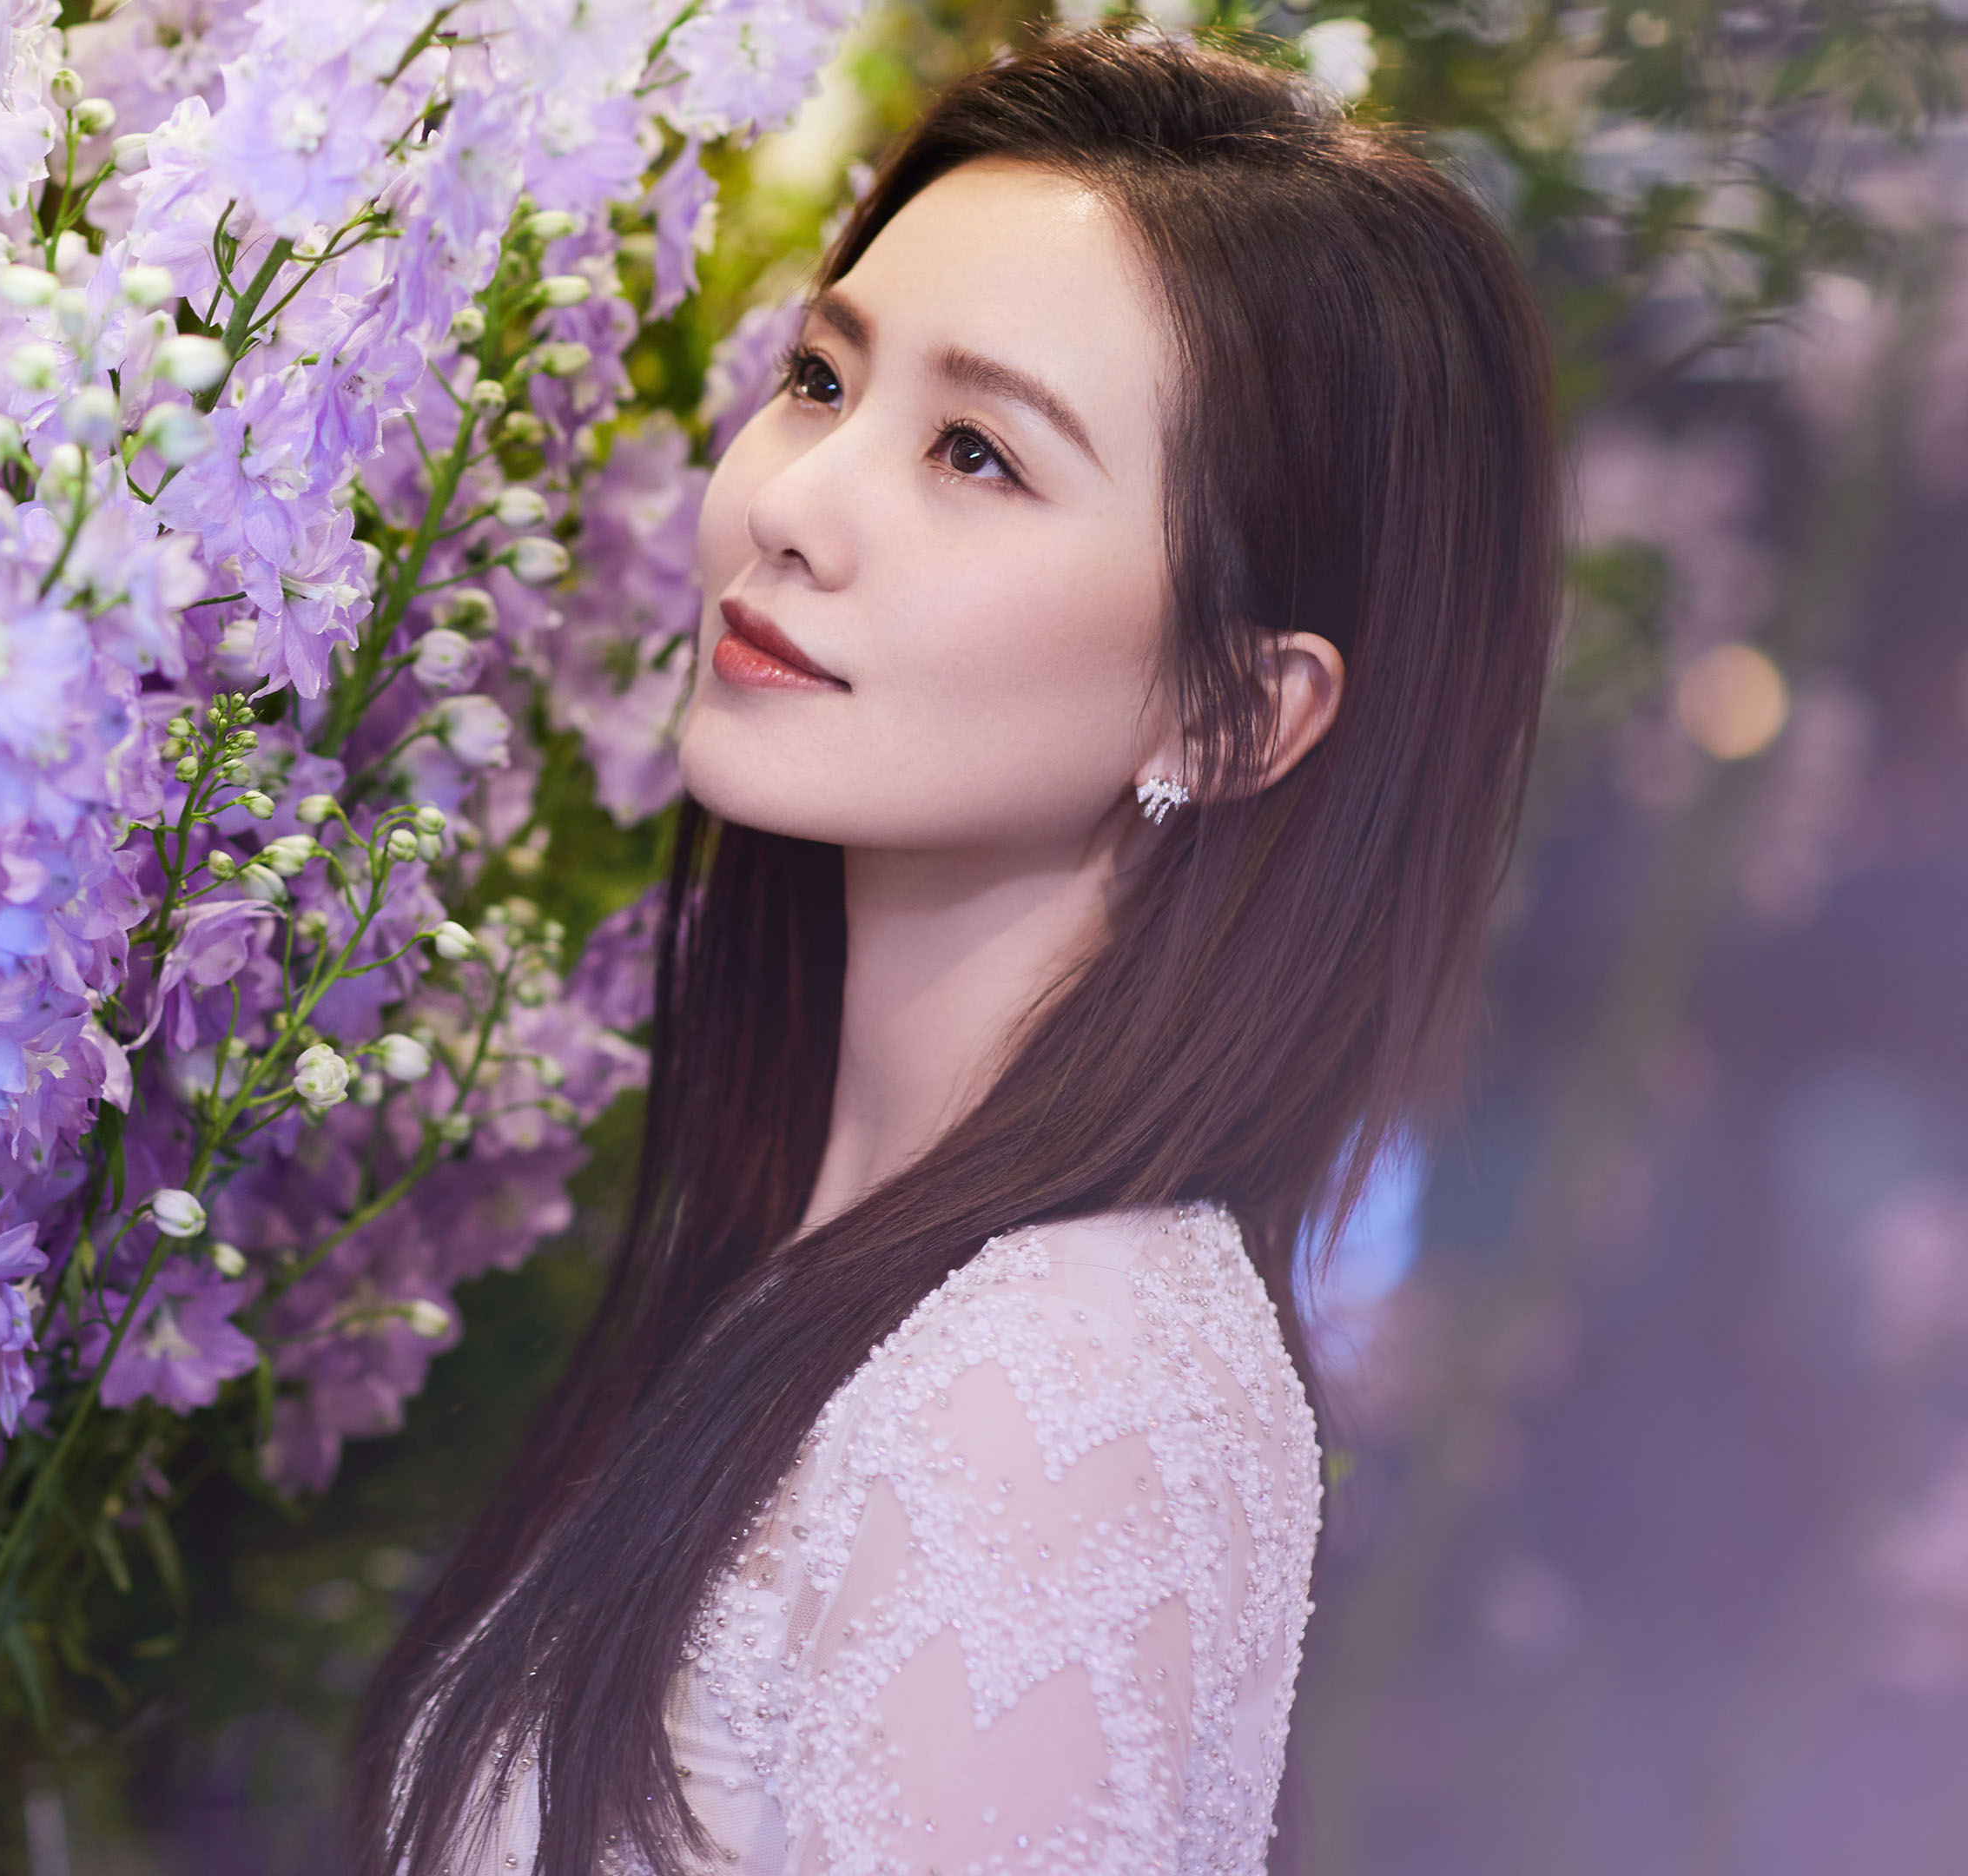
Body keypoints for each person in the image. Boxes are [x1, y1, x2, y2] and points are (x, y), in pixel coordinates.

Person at [352, 25, 1563, 1876]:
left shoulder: (1062, 1383)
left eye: (977, 454)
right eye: (820, 380)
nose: (793, 505)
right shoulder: (864, 1282)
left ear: (1235, 714)